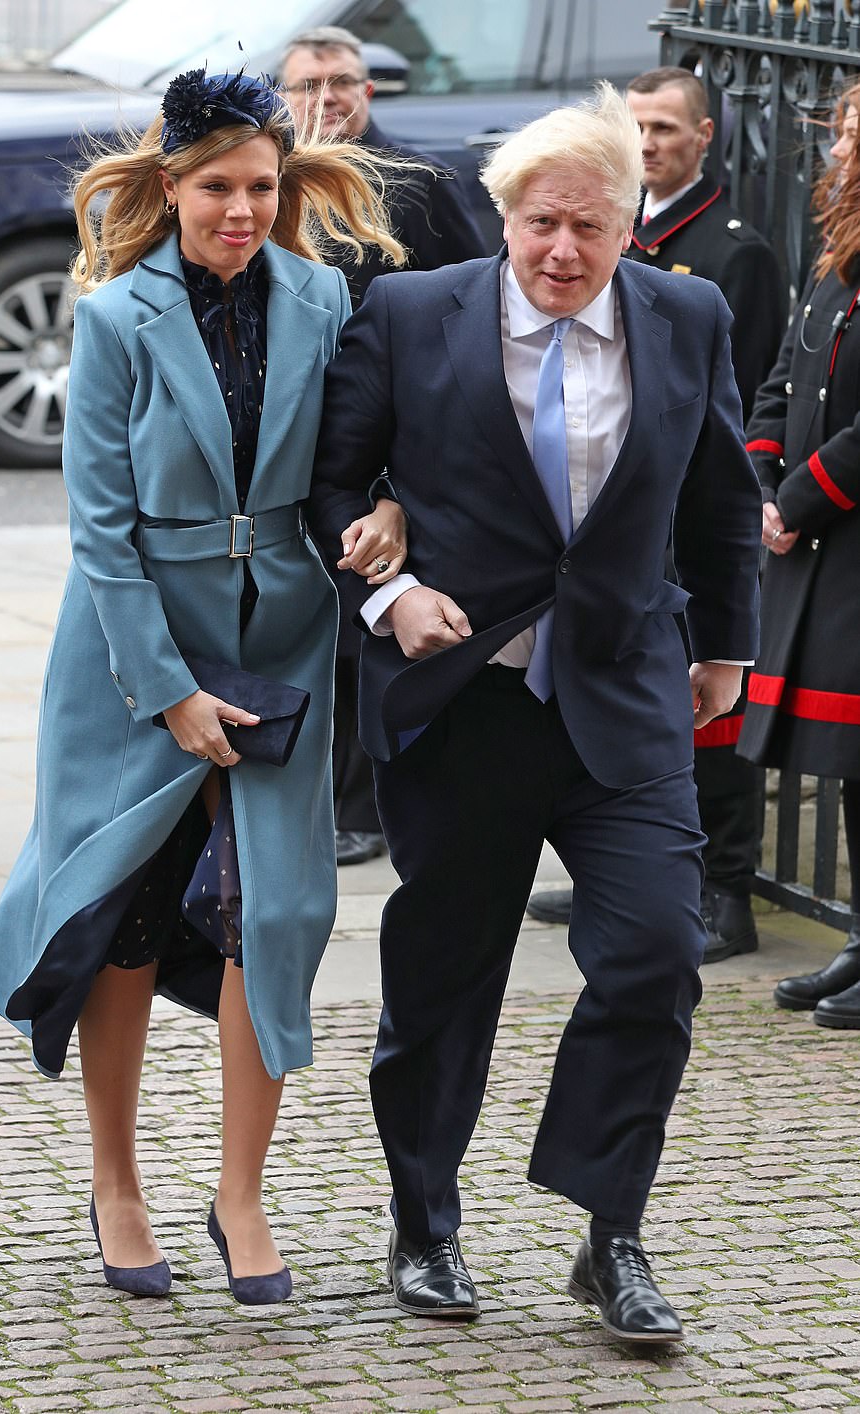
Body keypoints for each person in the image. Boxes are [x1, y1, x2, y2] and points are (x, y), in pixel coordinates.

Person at [308, 84, 761, 1344]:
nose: (563, 250)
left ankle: (609, 1232)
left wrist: (725, 644)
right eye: (541, 223)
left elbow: (719, 492)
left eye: (590, 226)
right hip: (465, 699)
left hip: (622, 689)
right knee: (442, 981)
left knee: (654, 954)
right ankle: (423, 1222)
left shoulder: (685, 314)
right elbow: (330, 480)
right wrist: (388, 591)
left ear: (629, 227)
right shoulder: (411, 313)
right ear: (504, 216)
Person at [0, 68, 407, 1303]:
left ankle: (240, 1192)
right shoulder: (113, 317)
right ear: (169, 187)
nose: (241, 211)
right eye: (217, 187)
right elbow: (100, 535)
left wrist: (387, 507)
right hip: (130, 654)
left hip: (282, 643)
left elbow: (365, 449)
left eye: (261, 186)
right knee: (123, 906)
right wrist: (167, 692)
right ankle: (116, 1181)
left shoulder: (324, 296)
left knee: (269, 911)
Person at [528, 67, 786, 964]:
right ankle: (609, 859)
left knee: (709, 720)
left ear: (704, 137)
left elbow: (734, 398)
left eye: (667, 128)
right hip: (614, 533)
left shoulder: (733, 250)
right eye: (636, 126)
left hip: (680, 527)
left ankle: (726, 887)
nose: (649, 142)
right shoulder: (609, 228)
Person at [280, 24, 487, 867]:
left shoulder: (418, 182)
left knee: (364, 612)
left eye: (342, 81)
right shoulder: (270, 181)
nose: (326, 98)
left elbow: (474, 305)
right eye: (307, 84)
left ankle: (363, 804)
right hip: (288, 438)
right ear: (283, 96)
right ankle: (306, 791)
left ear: (368, 91)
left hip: (384, 442)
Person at [738, 83, 860, 1028]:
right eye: (844, 134)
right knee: (852, 763)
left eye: (857, 137)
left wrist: (802, 494)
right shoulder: (837, 252)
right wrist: (763, 477)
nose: (842, 150)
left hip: (846, 533)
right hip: (816, 536)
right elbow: (786, 374)